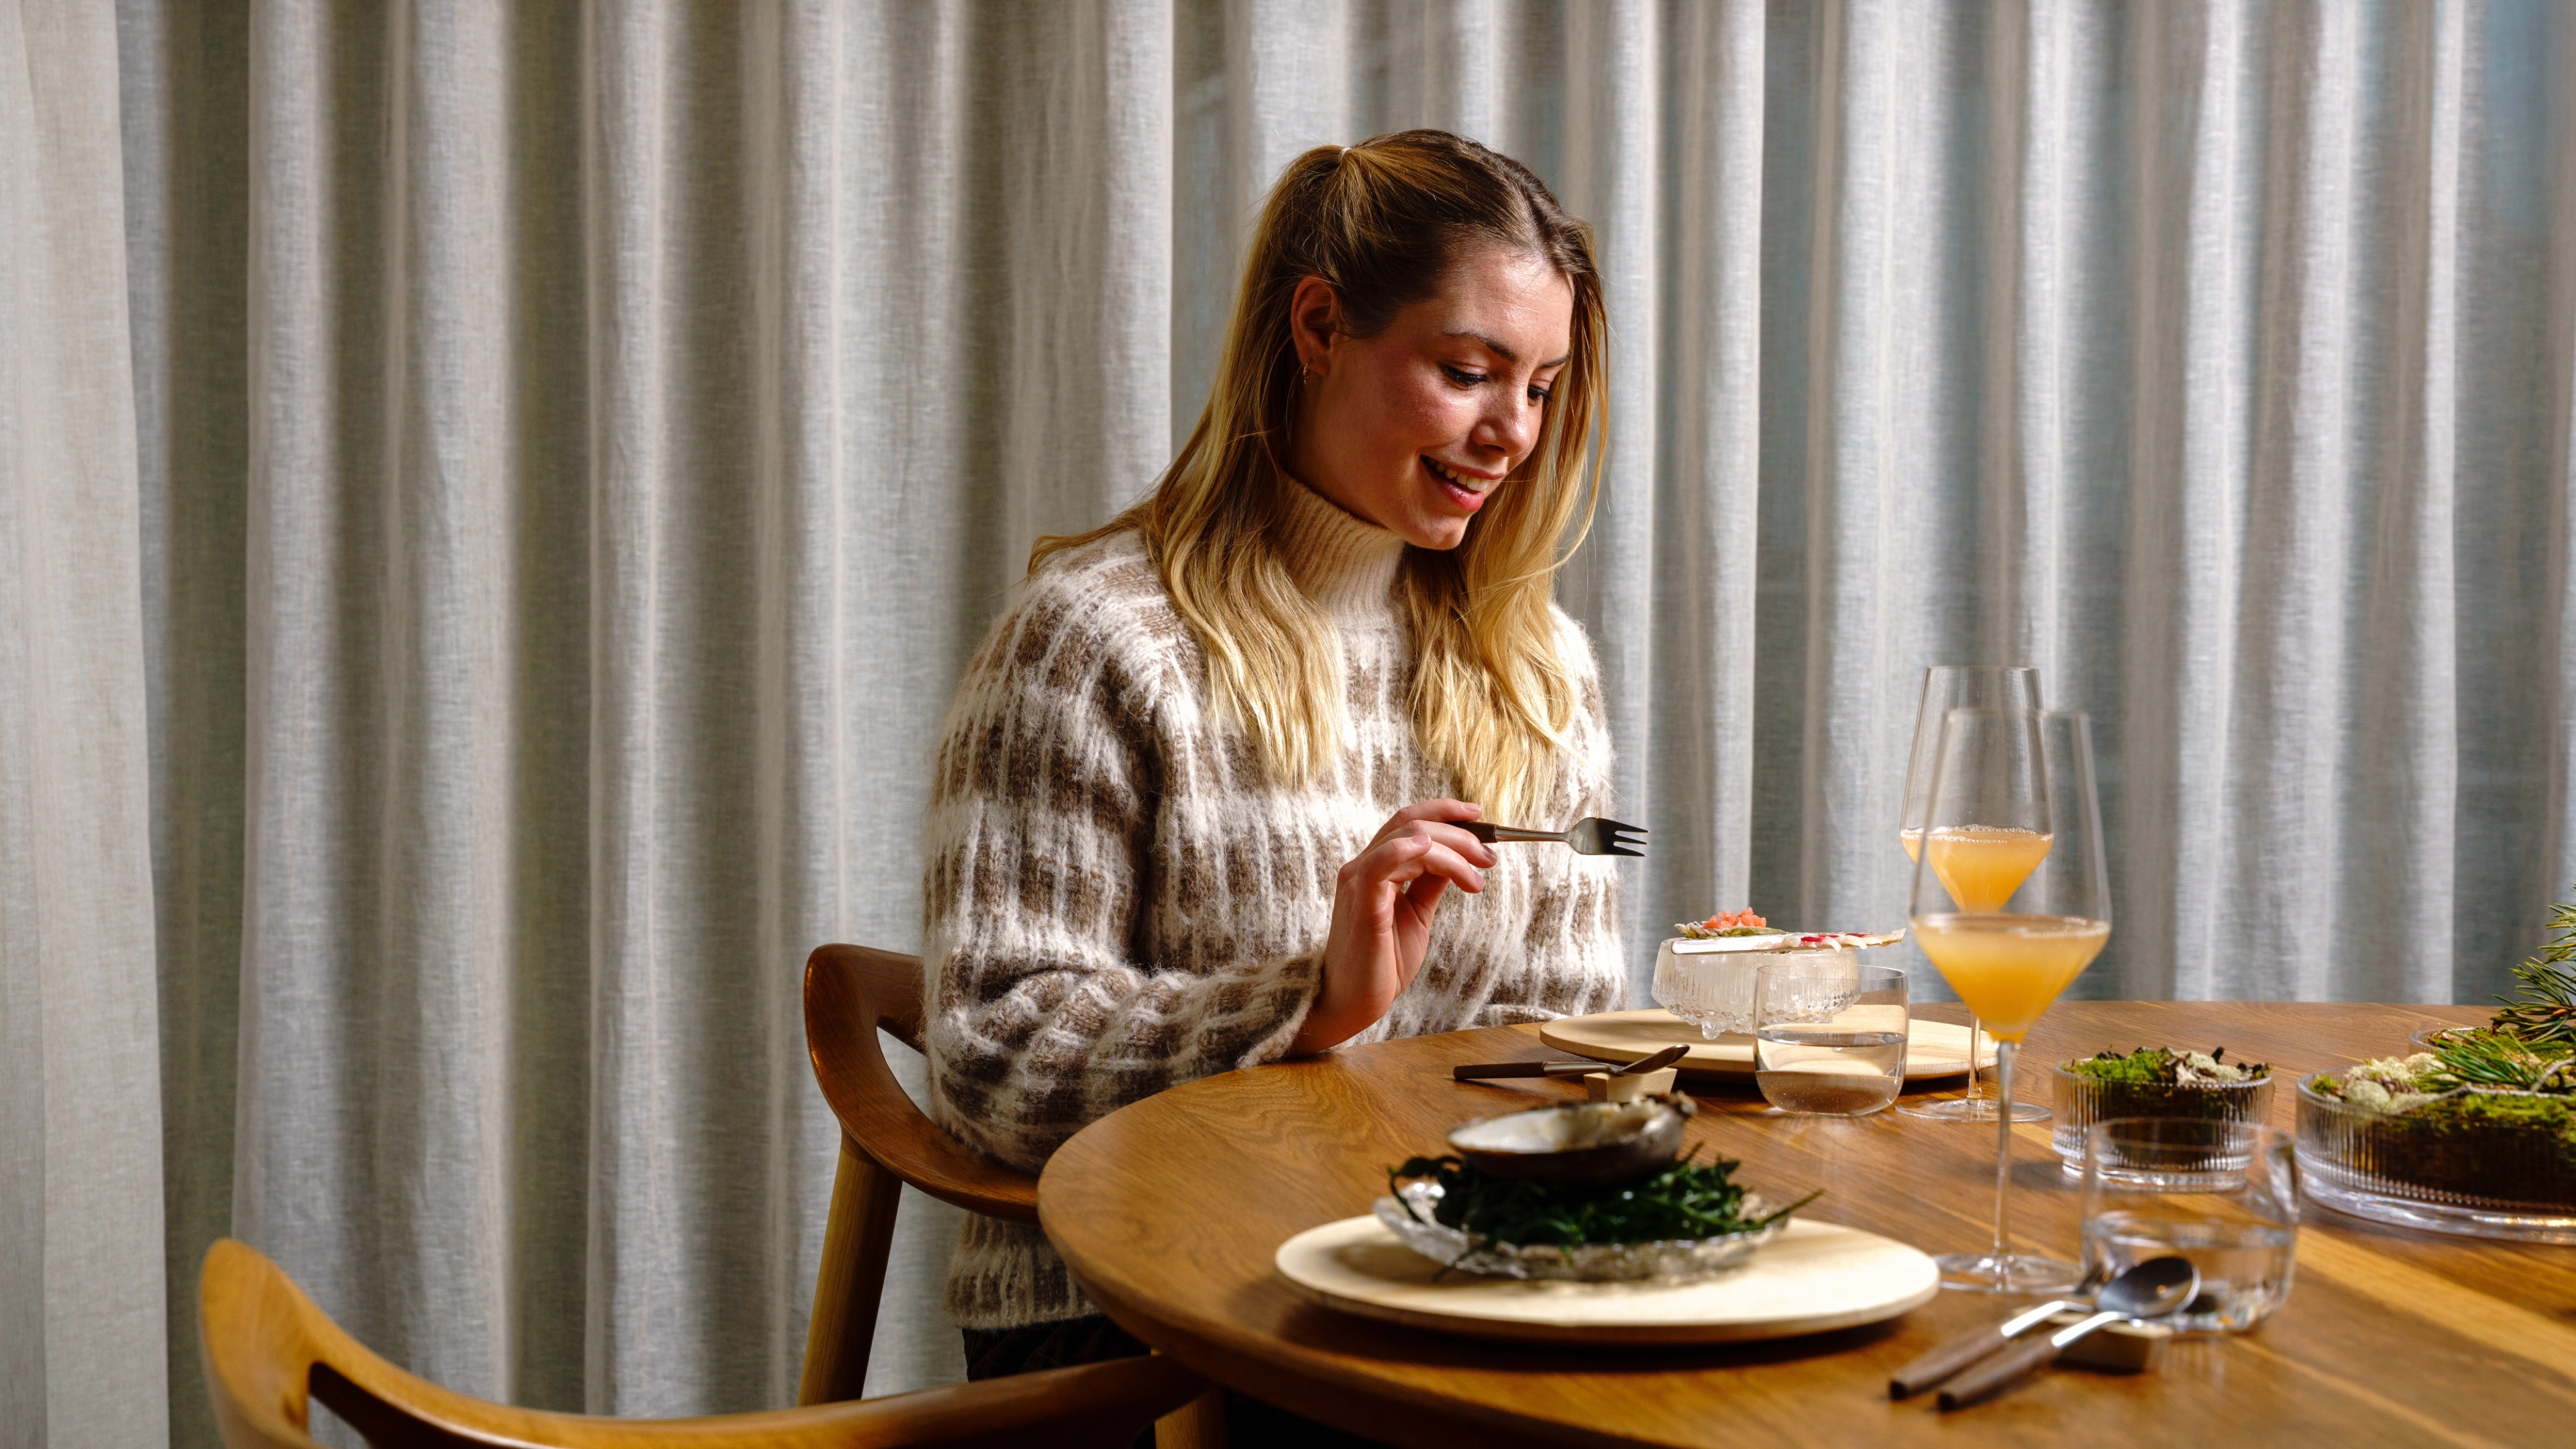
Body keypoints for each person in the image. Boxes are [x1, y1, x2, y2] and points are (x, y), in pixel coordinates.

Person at [918, 129, 1625, 1440]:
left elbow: (1560, 1050)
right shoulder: (1094, 638)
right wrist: (1308, 1004)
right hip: (1145, 1321)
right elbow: (992, 1056)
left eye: (1541, 388)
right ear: (1317, 326)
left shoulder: (1536, 668)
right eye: (1468, 372)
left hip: (1428, 1301)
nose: (1510, 434)